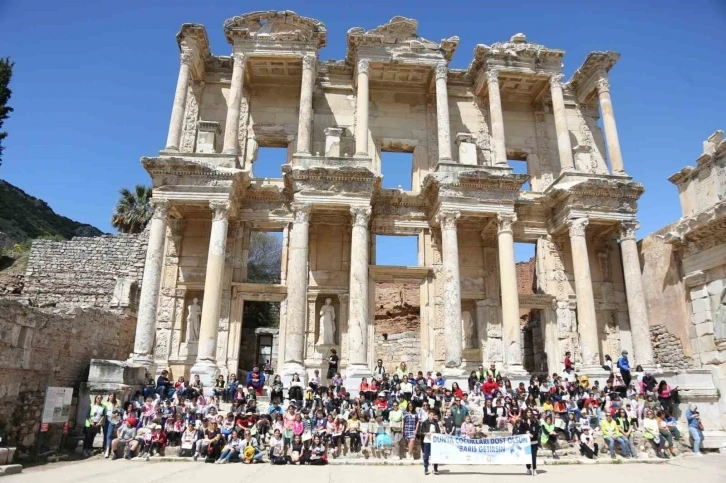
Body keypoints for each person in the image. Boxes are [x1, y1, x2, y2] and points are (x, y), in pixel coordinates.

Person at [514, 408, 539, 475]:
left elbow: (537, 430)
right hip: (526, 443)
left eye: (530, 412)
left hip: (534, 442)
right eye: (528, 412)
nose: (529, 413)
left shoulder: (535, 421)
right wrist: (526, 433)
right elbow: (520, 431)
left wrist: (532, 435)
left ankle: (534, 469)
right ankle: (528, 468)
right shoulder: (522, 421)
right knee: (527, 456)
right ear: (525, 413)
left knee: (533, 456)